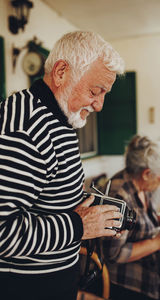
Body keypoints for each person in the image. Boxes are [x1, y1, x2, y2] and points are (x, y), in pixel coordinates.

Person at [0, 31, 124, 300]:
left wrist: (91, 217)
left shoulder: (60, 119)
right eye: (95, 91)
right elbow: (2, 232)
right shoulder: (26, 128)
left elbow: (45, 197)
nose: (99, 105)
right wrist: (79, 226)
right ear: (61, 73)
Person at [102, 135, 160, 300]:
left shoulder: (140, 185)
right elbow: (114, 254)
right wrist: (158, 242)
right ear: (147, 173)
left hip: (151, 270)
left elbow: (136, 223)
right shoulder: (119, 197)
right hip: (129, 283)